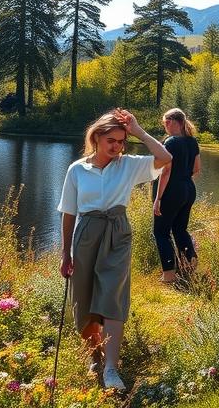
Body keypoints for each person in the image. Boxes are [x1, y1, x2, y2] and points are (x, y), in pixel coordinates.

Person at [58, 108, 172, 391]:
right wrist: (65, 252)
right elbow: (69, 213)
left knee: (112, 297)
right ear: (97, 137)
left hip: (118, 233)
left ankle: (111, 368)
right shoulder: (76, 169)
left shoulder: (128, 165)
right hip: (86, 234)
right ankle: (95, 356)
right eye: (112, 140)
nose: (117, 146)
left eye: (121, 141)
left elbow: (166, 159)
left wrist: (139, 131)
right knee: (83, 302)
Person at [152, 107, 201, 283]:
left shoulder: (170, 142)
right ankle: (190, 262)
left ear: (172, 122)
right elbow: (196, 169)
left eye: (165, 122)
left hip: (171, 191)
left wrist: (158, 198)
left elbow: (166, 171)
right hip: (188, 189)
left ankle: (169, 274)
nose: (165, 125)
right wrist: (183, 179)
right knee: (180, 229)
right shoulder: (192, 142)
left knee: (160, 232)